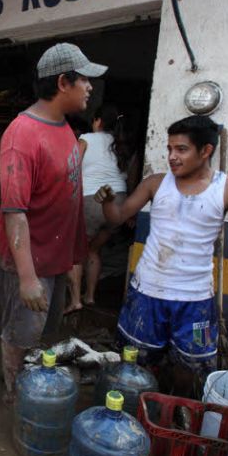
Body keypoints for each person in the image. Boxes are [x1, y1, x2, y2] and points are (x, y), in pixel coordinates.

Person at [94, 115, 228, 397]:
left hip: (195, 301)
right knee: (137, 363)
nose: (172, 157)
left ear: (206, 151)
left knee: (190, 370)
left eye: (181, 149)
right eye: (169, 149)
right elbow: (117, 217)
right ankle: (140, 412)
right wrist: (108, 202)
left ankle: (173, 414)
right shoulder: (155, 183)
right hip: (147, 294)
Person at [0, 42, 107, 404]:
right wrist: (27, 278)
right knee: (20, 333)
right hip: (29, 262)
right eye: (85, 80)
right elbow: (14, 212)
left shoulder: (66, 130)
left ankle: (32, 385)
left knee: (44, 330)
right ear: (63, 82)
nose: (90, 87)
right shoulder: (21, 134)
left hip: (55, 258)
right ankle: (16, 396)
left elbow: (66, 192)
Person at [65, 104, 133, 312]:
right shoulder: (121, 144)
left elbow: (70, 166)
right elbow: (129, 177)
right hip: (118, 201)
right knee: (94, 250)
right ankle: (90, 296)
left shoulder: (86, 138)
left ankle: (75, 300)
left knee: (76, 252)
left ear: (97, 121)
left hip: (93, 198)